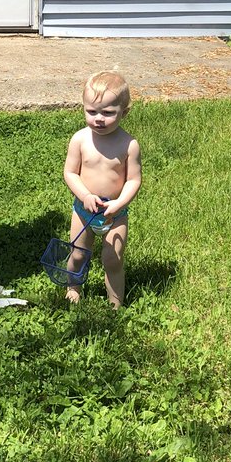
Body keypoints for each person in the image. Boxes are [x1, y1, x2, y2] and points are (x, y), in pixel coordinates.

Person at [62, 72, 142, 308]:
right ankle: (73, 289)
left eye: (108, 113)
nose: (98, 118)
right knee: (78, 254)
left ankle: (115, 304)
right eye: (92, 111)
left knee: (113, 260)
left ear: (124, 112)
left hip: (114, 214)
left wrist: (119, 203)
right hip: (83, 210)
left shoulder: (129, 145)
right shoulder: (80, 139)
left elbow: (133, 180)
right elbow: (70, 173)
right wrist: (85, 195)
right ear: (83, 108)